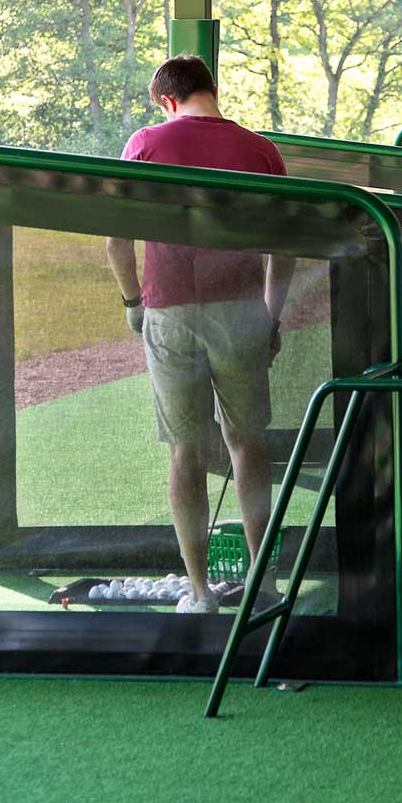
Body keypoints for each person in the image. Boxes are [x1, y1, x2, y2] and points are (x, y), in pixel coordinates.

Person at [104, 55, 293, 614]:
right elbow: (281, 251)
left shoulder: (146, 143)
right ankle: (264, 586)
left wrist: (134, 305)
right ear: (212, 90)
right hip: (240, 312)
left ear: (167, 101)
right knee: (248, 447)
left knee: (185, 453)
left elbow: (117, 242)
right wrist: (271, 318)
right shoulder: (258, 149)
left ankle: (200, 592)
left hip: (171, 313)